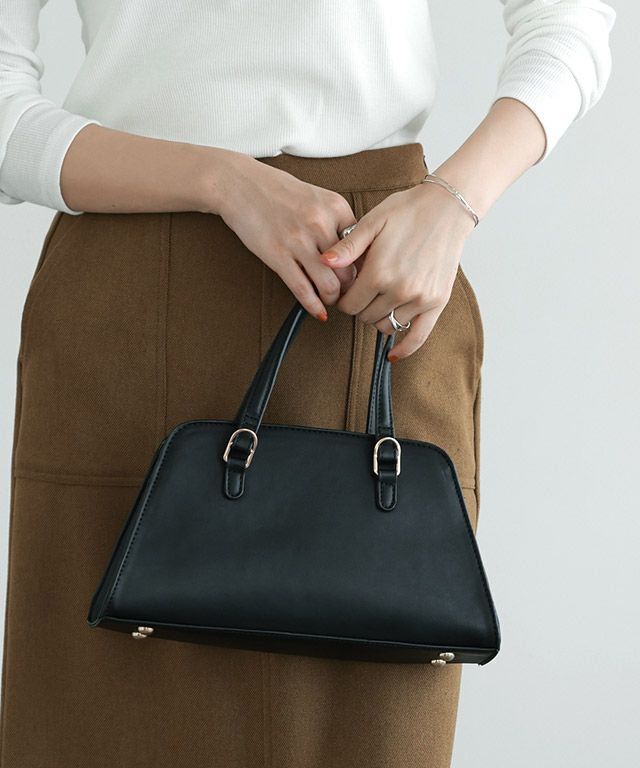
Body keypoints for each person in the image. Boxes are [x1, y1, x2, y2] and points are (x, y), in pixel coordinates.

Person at [0, 1, 615, 767]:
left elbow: (570, 19)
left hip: (371, 284)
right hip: (129, 307)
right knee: (98, 729)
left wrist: (453, 203)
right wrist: (221, 178)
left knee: (369, 732)